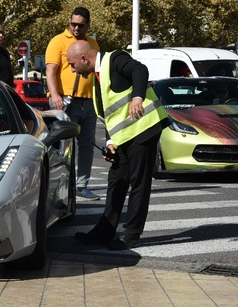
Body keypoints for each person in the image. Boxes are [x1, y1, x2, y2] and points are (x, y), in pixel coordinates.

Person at [67, 40, 169, 250]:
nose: (72, 69)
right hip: (125, 135)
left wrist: (137, 97)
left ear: (84, 59)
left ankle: (131, 234)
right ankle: (105, 230)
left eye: (72, 64)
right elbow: (110, 115)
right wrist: (111, 142)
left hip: (144, 127)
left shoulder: (114, 59)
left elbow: (139, 69)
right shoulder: (97, 78)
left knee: (138, 181)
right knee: (117, 179)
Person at [45, 7, 100, 200]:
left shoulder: (92, 43)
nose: (76, 28)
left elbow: (97, 73)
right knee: (61, 146)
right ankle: (58, 188)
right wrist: (55, 95)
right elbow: (51, 70)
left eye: (81, 25)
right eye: (73, 24)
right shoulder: (58, 41)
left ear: (87, 25)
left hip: (88, 101)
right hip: (65, 100)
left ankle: (82, 186)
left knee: (87, 145)